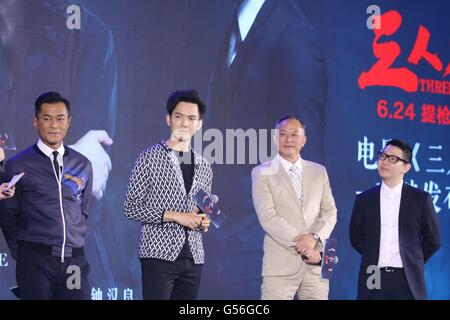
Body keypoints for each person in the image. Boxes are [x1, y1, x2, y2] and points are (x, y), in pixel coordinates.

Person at [205, 0, 328, 295]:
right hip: (217, 258)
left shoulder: (295, 37)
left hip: (259, 267)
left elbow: (302, 170)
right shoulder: (229, 24)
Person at [0, 91, 93, 299]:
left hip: (73, 262)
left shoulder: (83, 164)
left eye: (60, 118)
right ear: (35, 121)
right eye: (47, 118)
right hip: (35, 261)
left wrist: (72, 241)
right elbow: (8, 216)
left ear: (68, 122)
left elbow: (83, 211)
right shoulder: (18, 165)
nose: (54, 125)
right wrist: (27, 252)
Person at [124, 89, 213, 300]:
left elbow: (204, 209)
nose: (184, 123)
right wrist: (175, 215)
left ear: (199, 124)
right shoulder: (149, 157)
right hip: (158, 255)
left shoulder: (204, 165)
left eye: (191, 118)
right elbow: (130, 207)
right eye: (178, 116)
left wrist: (205, 221)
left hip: (194, 257)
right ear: (168, 119)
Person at [251, 115, 337, 300]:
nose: (288, 139)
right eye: (283, 134)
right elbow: (268, 217)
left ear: (304, 140)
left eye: (294, 134)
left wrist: (314, 238)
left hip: (317, 263)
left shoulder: (319, 171)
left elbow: (330, 212)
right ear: (275, 138)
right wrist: (304, 247)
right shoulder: (261, 172)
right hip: (281, 266)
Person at [350, 139, 441, 300]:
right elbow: (356, 237)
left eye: (393, 159)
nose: (385, 162)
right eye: (383, 156)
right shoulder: (364, 199)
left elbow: (433, 240)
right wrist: (373, 253)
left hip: (406, 275)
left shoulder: (420, 199)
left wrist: (413, 258)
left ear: (406, 167)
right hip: (374, 272)